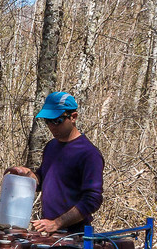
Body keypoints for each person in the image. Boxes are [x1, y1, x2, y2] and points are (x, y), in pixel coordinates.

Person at [7, 91, 104, 234]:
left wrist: (57, 223)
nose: (52, 126)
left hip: (75, 235)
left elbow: (93, 199)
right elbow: (43, 179)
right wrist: (28, 176)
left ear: (73, 117)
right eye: (47, 121)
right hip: (49, 232)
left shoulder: (89, 153)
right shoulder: (51, 146)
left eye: (57, 121)